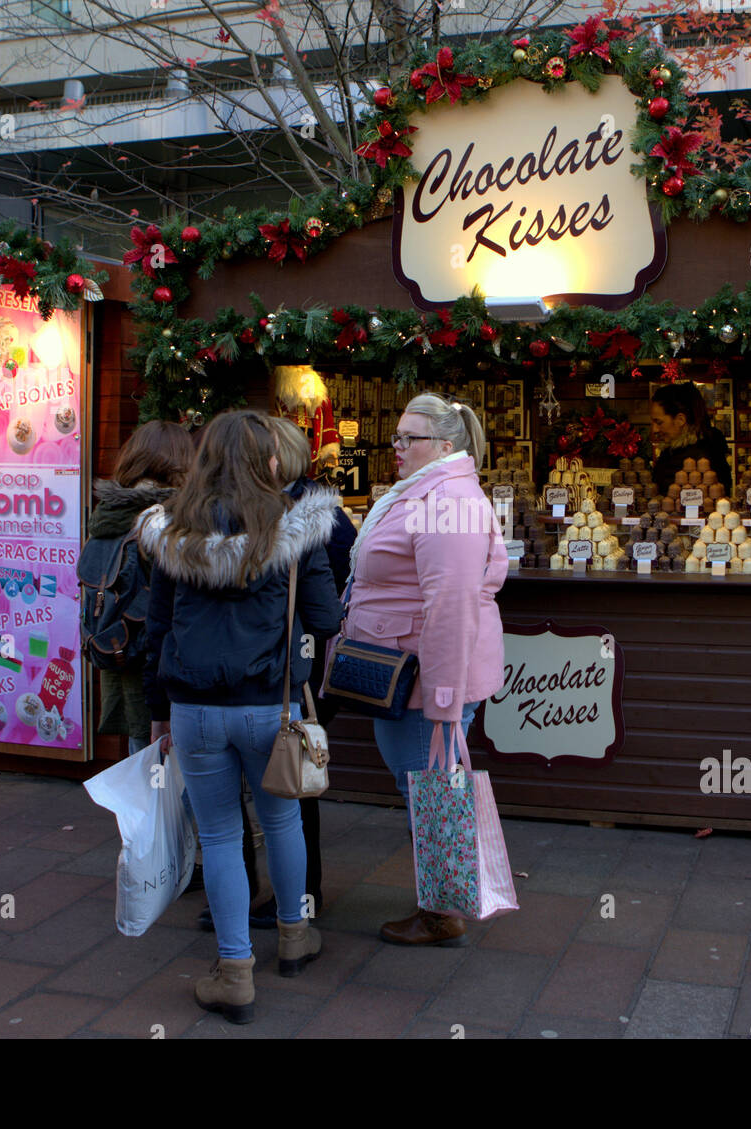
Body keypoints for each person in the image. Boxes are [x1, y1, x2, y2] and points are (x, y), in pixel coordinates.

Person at [138, 410, 344, 1024]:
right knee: (281, 822)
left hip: (194, 708)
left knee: (222, 837)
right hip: (268, 706)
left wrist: (157, 714)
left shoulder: (171, 530)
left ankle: (234, 972)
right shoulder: (297, 529)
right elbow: (328, 619)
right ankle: (294, 936)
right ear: (268, 462)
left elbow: (157, 630)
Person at [338, 393, 508, 947]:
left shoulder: (448, 501)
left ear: (445, 444)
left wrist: (442, 701)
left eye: (409, 439)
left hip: (421, 681)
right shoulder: (428, 493)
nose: (397, 448)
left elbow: (452, 604)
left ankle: (442, 911)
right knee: (426, 786)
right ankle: (443, 898)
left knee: (430, 790)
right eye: (397, 437)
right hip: (406, 672)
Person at [225, 416, 355, 931]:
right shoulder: (260, 511)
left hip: (292, 674)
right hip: (276, 672)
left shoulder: (314, 518)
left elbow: (330, 606)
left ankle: (299, 896)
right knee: (279, 787)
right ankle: (286, 902)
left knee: (292, 781)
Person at [86, 420, 194, 754]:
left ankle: (141, 805)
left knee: (140, 749)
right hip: (159, 656)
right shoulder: (167, 517)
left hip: (118, 645)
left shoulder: (108, 512)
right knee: (165, 758)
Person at [650, 381, 732, 493]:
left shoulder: (695, 458)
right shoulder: (676, 450)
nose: (654, 429)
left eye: (659, 422)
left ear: (680, 420)